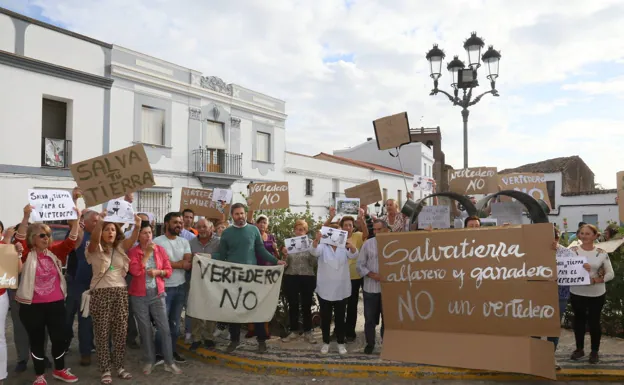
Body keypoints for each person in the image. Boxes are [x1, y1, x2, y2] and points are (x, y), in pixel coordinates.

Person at [14, 204, 80, 385]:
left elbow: (71, 241)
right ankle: (39, 375)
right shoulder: (26, 253)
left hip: (56, 303)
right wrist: (26, 216)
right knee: (37, 340)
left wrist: (76, 220)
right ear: (32, 238)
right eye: (42, 235)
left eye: (48, 235)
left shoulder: (55, 251)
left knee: (59, 338)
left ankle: (59, 370)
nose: (46, 238)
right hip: (31, 305)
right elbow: (19, 236)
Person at [215, 203, 287, 354]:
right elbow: (221, 255)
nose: (240, 216)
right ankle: (234, 341)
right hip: (234, 276)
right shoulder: (227, 233)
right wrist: (205, 258)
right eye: (237, 214)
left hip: (252, 276)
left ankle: (261, 341)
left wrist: (275, 261)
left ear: (245, 214)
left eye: (242, 213)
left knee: (256, 308)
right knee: (233, 309)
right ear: (232, 216)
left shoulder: (253, 229)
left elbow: (260, 250)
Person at [86, 211, 141, 383]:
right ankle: (105, 369)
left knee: (120, 332)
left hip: (120, 293)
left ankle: (119, 366)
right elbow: (94, 240)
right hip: (101, 292)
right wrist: (100, 222)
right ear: (101, 232)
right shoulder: (93, 247)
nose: (110, 232)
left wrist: (137, 226)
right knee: (102, 333)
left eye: (113, 230)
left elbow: (131, 240)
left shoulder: (120, 248)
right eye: (107, 229)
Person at [127, 223, 182, 375]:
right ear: (138, 236)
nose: (148, 236)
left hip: (158, 294)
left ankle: (169, 362)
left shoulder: (160, 250)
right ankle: (149, 360)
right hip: (139, 296)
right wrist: (146, 255)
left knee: (164, 328)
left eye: (150, 232)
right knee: (145, 330)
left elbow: (169, 270)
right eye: (144, 233)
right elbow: (136, 271)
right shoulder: (133, 252)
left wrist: (159, 272)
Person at [569, 224, 614, 364]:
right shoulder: (572, 251)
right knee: (579, 322)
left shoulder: (601, 253)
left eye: (588, 233)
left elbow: (610, 273)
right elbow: (561, 265)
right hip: (577, 292)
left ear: (595, 236)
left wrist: (597, 280)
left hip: (596, 293)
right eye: (581, 233)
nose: (584, 236)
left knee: (594, 322)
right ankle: (579, 349)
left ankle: (594, 352)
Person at [311, 224, 359, 355]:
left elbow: (354, 255)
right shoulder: (322, 247)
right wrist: (316, 240)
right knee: (325, 318)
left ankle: (340, 343)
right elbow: (313, 251)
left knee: (340, 318)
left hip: (341, 289)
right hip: (325, 289)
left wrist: (351, 245)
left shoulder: (344, 247)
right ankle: (325, 342)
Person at [153, 212, 192, 365]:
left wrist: (173, 263)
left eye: (181, 222)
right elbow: (160, 264)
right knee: (162, 323)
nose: (179, 225)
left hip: (180, 287)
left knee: (175, 323)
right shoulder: (157, 241)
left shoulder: (184, 242)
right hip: (164, 288)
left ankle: (172, 351)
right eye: (175, 222)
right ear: (166, 224)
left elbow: (187, 262)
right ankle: (158, 353)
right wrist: (178, 264)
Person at [324, 209, 368, 342]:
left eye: (350, 225)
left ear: (353, 227)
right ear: (341, 227)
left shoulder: (358, 236)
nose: (348, 227)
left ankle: (350, 332)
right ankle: (338, 331)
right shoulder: (336, 237)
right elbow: (323, 231)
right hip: (339, 277)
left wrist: (362, 218)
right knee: (338, 305)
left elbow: (366, 234)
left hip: (354, 277)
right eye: (345, 225)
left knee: (352, 306)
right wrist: (331, 217)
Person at [64, 209, 98, 367]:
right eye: (95, 221)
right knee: (77, 317)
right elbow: (74, 229)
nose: (97, 223)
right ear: (86, 221)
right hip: (80, 284)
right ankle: (75, 348)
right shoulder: (81, 235)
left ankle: (90, 349)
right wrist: (77, 214)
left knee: (92, 320)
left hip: (97, 284)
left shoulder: (100, 236)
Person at [280, 219, 317, 344]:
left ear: (306, 231)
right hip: (291, 276)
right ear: (294, 230)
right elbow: (285, 264)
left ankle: (308, 332)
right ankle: (294, 331)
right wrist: (284, 255)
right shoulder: (290, 244)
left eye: (302, 229)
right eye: (297, 229)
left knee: (307, 305)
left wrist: (312, 251)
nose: (299, 231)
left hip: (307, 277)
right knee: (293, 305)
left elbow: (313, 263)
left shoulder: (311, 243)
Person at [357, 219, 389, 354]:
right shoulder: (368, 244)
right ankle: (370, 343)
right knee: (370, 319)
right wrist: (371, 274)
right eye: (374, 229)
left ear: (386, 229)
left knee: (387, 320)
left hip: (388, 290)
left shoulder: (394, 243)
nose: (375, 232)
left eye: (378, 229)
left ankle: (386, 344)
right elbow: (360, 265)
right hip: (370, 288)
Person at [188, 218, 220, 351]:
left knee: (212, 309)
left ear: (211, 227)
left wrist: (209, 258)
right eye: (199, 227)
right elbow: (187, 259)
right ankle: (196, 338)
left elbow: (224, 256)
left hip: (214, 281)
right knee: (196, 309)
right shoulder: (190, 243)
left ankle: (209, 337)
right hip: (196, 281)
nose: (202, 229)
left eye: (204, 227)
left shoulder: (219, 242)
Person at [0, 236, 23, 384]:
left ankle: (1, 374)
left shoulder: (4, 246)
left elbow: (17, 269)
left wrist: (18, 254)